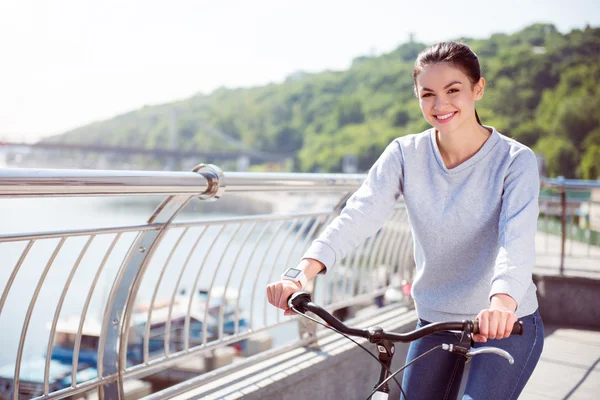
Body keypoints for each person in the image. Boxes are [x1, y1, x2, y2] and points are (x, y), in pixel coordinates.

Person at [266, 41, 544, 400]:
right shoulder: (404, 154)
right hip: (435, 322)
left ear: (478, 88)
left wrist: (502, 304)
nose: (440, 104)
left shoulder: (514, 160)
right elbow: (360, 213)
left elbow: (516, 240)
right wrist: (300, 273)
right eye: (427, 94)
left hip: (506, 325)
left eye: (453, 90)